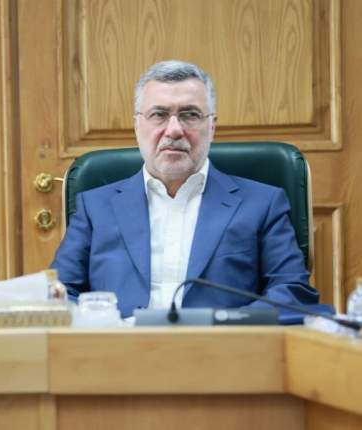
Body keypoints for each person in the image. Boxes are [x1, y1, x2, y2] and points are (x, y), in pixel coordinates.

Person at [51, 60, 319, 318]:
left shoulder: (262, 204)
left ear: (211, 127)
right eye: (159, 115)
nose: (174, 130)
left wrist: (222, 325)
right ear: (137, 125)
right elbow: (58, 294)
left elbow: (292, 292)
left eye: (190, 115)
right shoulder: (96, 207)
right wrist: (104, 324)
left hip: (221, 344)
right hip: (120, 344)